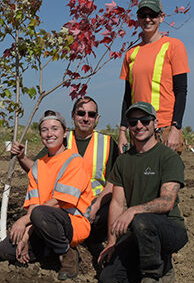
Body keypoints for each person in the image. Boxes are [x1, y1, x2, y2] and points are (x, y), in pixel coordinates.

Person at [98, 101, 188, 283]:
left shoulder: (168, 157)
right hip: (139, 231)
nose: (139, 125)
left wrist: (133, 211)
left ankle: (152, 277)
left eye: (145, 120)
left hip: (169, 229)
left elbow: (167, 202)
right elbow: (116, 203)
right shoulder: (123, 161)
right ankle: (161, 265)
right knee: (108, 278)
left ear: (155, 123)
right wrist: (112, 242)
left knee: (141, 219)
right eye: (133, 121)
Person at [10, 97, 118, 246]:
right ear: (73, 115)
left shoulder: (107, 143)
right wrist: (21, 157)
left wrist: (97, 205)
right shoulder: (60, 138)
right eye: (81, 113)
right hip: (63, 205)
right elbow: (39, 169)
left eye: (91, 114)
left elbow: (115, 181)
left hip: (95, 204)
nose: (86, 118)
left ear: (97, 118)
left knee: (108, 215)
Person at [0, 110, 93, 280]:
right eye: (44, 130)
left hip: (72, 224)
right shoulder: (38, 166)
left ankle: (67, 255)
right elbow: (34, 205)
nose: (49, 134)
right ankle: (51, 250)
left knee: (40, 214)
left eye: (55, 129)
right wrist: (26, 236)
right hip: (42, 222)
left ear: (65, 133)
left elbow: (58, 203)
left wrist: (24, 222)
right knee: (6, 250)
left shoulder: (74, 161)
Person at [118, 0, 189, 153]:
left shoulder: (174, 46)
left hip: (164, 128)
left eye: (153, 15)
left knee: (167, 177)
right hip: (138, 128)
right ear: (138, 18)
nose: (148, 19)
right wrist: (123, 131)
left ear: (161, 17)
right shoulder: (131, 53)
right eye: (143, 15)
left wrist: (175, 128)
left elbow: (181, 91)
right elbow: (127, 96)